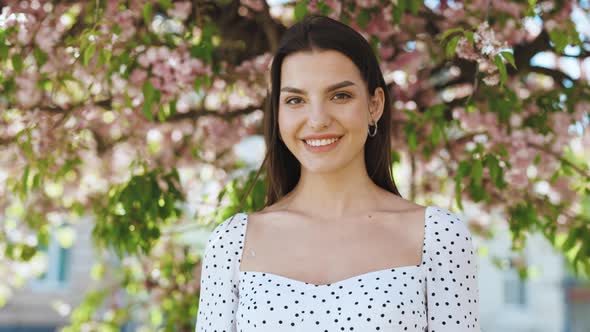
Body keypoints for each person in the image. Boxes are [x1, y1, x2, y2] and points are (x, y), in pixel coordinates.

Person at [195, 14, 480, 332]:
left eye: (339, 95)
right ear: (277, 113)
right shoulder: (232, 242)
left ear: (375, 104)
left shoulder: (438, 237)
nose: (317, 119)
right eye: (295, 100)